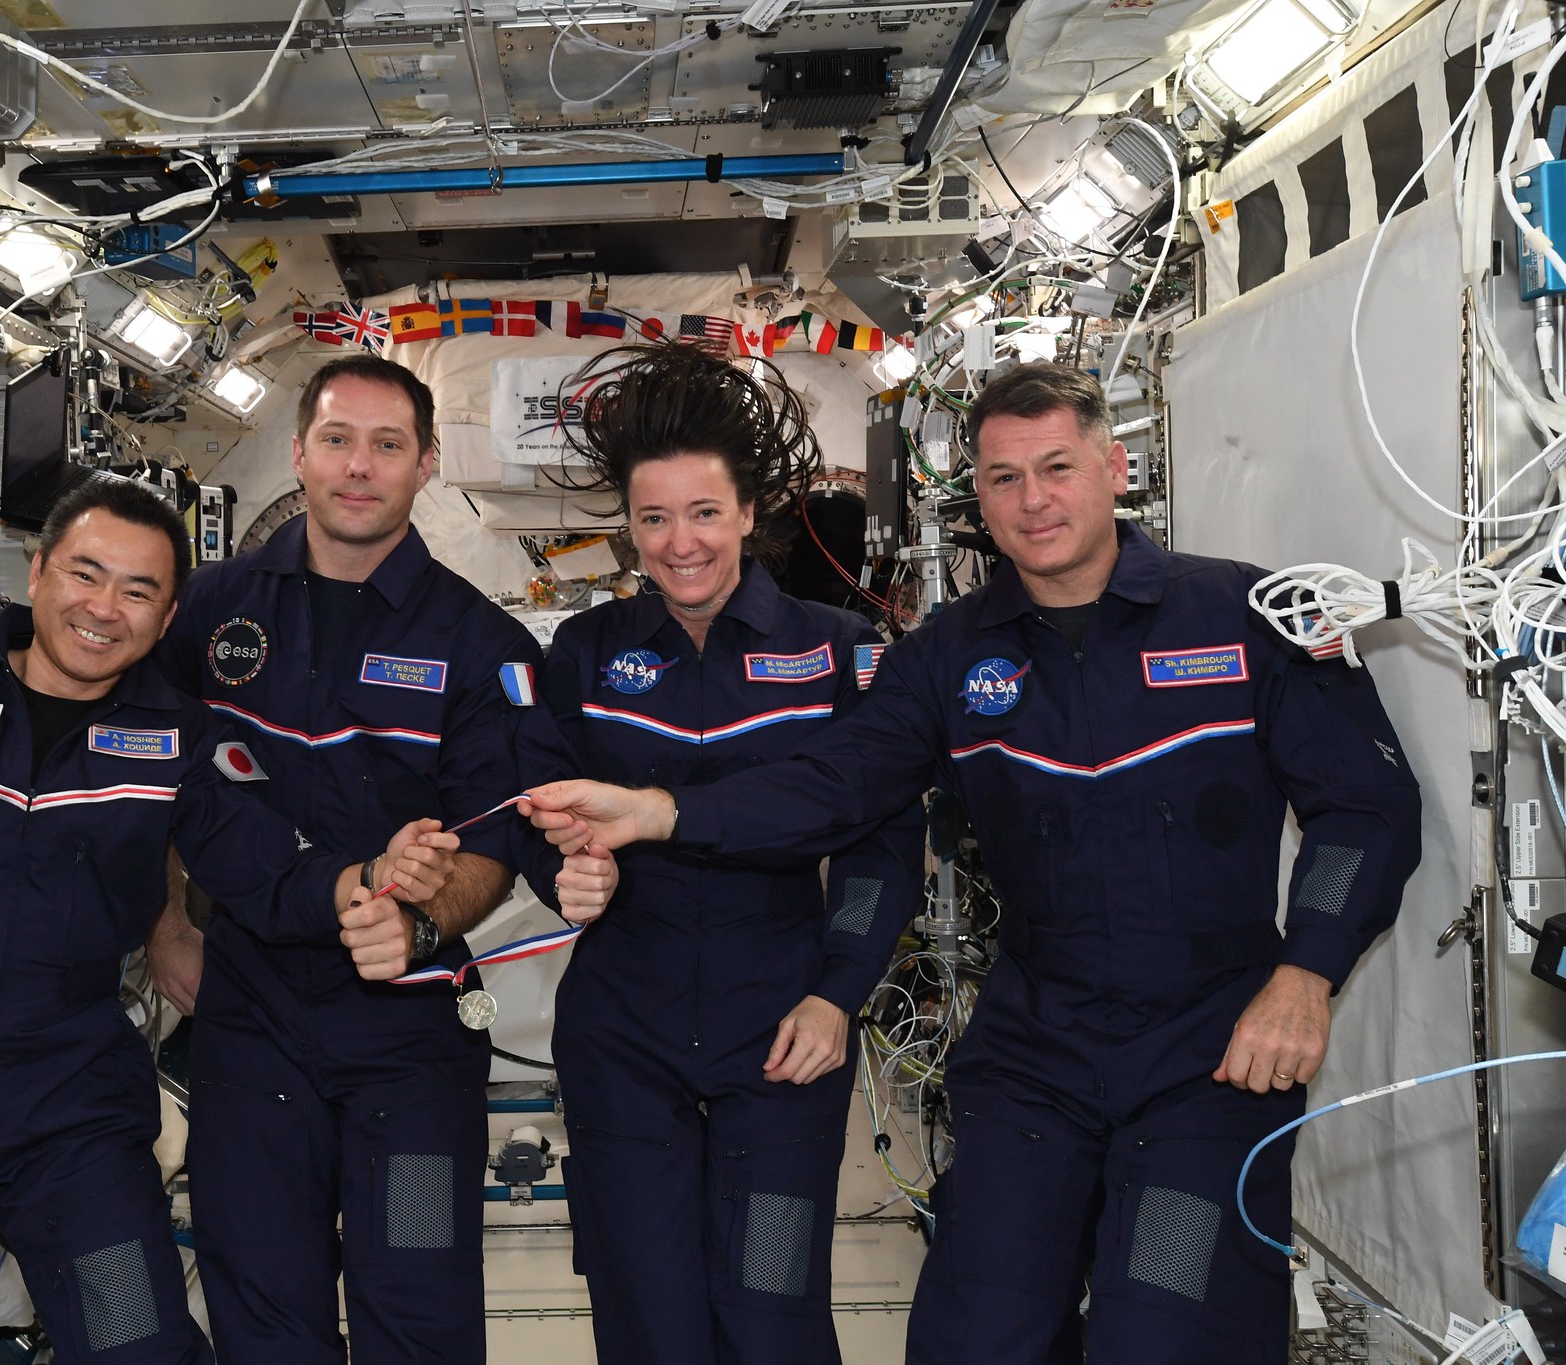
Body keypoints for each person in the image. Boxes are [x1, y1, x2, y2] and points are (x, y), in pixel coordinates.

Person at [524, 361, 1424, 1364]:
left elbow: (1365, 809)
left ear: (1112, 467)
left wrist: (1304, 974)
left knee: (1162, 1330)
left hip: (1207, 1051)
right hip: (1033, 1049)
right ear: (976, 502)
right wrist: (659, 810)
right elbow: (835, 786)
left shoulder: (1247, 618)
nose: (1032, 500)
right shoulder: (943, 656)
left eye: (1055, 467)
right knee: (974, 1332)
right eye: (1001, 478)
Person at [0, 478, 459, 1365]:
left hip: (70, 1108)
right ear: (37, 572)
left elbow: (259, 861)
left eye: (138, 590)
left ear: (169, 612)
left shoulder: (174, 735)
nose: (104, 608)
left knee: (132, 1345)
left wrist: (363, 878)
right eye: (85, 573)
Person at [146, 353, 614, 1365]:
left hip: (409, 1037)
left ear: (425, 464)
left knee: (419, 1302)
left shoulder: (482, 643)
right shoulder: (208, 612)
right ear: (302, 455)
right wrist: (168, 922)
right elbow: (149, 781)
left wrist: (414, 922)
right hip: (249, 1020)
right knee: (262, 1299)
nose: (359, 467)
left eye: (387, 445)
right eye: (337, 440)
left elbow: (492, 831)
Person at [533, 344, 926, 1363]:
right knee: (646, 1313)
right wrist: (564, 872)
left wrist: (838, 992)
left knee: (770, 1308)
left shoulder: (839, 651)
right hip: (622, 1029)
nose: (680, 543)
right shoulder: (581, 655)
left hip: (783, 1022)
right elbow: (531, 815)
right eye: (653, 517)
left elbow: (883, 837)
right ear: (627, 525)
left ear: (747, 514)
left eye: (703, 513)